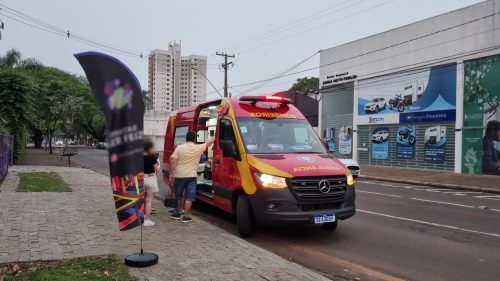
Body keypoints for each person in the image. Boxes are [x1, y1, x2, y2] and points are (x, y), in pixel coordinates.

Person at [169, 131, 214, 223]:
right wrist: (215, 136)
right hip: (191, 176)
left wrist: (172, 174)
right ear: (194, 139)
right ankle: (186, 216)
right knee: (189, 197)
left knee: (179, 195)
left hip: (179, 175)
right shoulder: (198, 148)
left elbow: (173, 161)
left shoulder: (179, 148)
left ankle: (177, 213)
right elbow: (209, 142)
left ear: (186, 138)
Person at [143, 138, 161, 227]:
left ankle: (140, 217)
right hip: (150, 179)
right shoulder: (152, 157)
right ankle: (147, 220)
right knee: (149, 201)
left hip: (141, 179)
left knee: (142, 199)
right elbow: (157, 169)